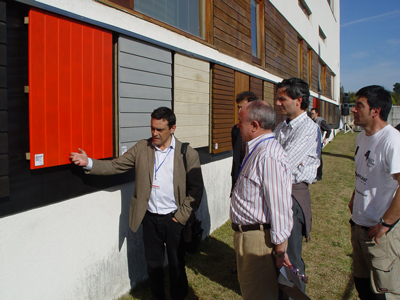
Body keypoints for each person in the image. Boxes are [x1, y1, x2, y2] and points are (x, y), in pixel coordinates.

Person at [69, 107, 204, 300]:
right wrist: (89, 162)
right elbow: (116, 165)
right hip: (149, 218)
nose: (154, 134)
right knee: (154, 265)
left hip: (174, 220)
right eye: (152, 128)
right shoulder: (142, 148)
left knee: (176, 264)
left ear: (173, 128)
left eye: (160, 129)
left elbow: (196, 191)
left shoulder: (187, 154)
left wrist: (179, 218)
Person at [230, 100, 293, 299]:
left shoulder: (268, 155)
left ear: (255, 125)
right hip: (248, 236)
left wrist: (280, 252)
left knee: (259, 294)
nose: (238, 126)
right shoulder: (257, 149)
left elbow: (280, 207)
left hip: (258, 240)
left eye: (241, 121)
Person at [348, 85, 400, 300]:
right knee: (362, 286)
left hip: (380, 233)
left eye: (359, 105)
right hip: (358, 225)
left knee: (383, 293)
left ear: (375, 111)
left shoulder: (392, 140)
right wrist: (354, 199)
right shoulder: (362, 137)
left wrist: (386, 224)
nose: (353, 110)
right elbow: (363, 173)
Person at [273, 78, 321, 295]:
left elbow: (282, 164)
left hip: (292, 195)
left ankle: (295, 295)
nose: (277, 103)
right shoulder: (282, 127)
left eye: (282, 99)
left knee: (291, 257)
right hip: (277, 192)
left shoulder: (308, 129)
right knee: (278, 253)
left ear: (299, 100)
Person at [231, 91, 258, 191]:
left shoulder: (261, 130)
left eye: (242, 107)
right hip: (238, 181)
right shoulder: (235, 130)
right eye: (238, 107)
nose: (239, 111)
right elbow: (236, 158)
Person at [310, 107, 332, 181]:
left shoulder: (321, 121)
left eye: (313, 113)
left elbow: (329, 130)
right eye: (311, 113)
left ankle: (319, 175)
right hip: (313, 143)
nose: (312, 115)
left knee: (318, 159)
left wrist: (325, 138)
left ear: (317, 113)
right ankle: (314, 173)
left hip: (318, 143)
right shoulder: (312, 121)